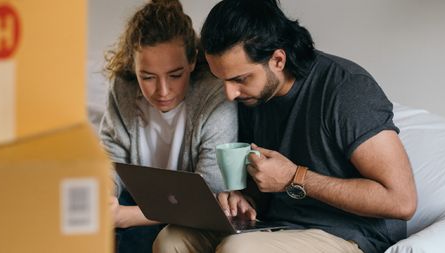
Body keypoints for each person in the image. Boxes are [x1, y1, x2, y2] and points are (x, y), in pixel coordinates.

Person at [152, 0, 418, 252]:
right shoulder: (253, 97)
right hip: (276, 224)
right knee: (172, 239)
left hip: (350, 235)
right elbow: (267, 180)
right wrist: (245, 198)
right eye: (222, 80)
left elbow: (401, 201)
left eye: (240, 79)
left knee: (239, 250)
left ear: (278, 60)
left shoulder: (346, 89)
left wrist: (294, 177)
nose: (230, 93)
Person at [98, 0, 237, 252]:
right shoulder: (122, 87)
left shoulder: (214, 95)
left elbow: (210, 194)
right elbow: (110, 158)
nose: (163, 91)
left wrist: (124, 217)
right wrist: (106, 194)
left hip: (192, 212)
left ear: (193, 60)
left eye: (175, 75)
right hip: (134, 198)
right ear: (133, 66)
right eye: (147, 77)